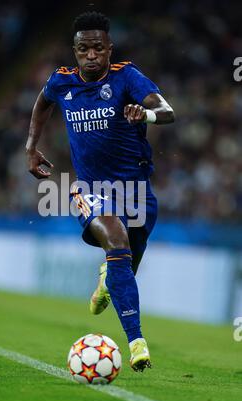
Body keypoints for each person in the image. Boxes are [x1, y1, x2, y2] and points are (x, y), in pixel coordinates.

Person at [26, 11, 175, 372]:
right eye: (83, 49)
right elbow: (43, 102)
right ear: (74, 51)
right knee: (117, 240)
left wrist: (147, 115)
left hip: (138, 192)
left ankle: (108, 279)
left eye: (97, 48)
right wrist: (31, 146)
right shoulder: (62, 82)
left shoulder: (128, 77)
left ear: (109, 48)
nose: (90, 55)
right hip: (92, 189)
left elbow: (167, 111)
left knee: (125, 262)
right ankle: (137, 342)